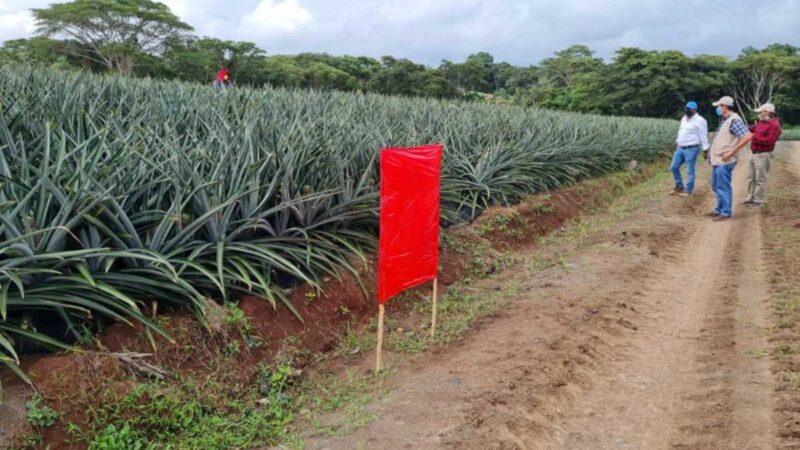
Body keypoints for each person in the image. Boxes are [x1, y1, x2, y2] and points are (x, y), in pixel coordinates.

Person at [707, 96, 752, 221]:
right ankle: (719, 209)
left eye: (719, 106)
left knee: (723, 186)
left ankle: (726, 212)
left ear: (725, 107)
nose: (718, 109)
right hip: (718, 160)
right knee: (716, 186)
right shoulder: (724, 120)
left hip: (725, 160)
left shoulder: (734, 120)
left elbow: (747, 136)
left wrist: (732, 150)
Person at [744, 103, 782, 208]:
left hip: (763, 155)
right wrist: (744, 128)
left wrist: (753, 137)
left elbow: (769, 141)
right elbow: (755, 128)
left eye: (761, 111)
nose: (760, 113)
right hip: (754, 153)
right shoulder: (763, 122)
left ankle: (758, 201)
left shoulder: (775, 125)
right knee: (751, 177)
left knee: (760, 178)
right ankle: (750, 197)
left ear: (768, 112)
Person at [670, 101, 709, 197]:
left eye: (689, 109)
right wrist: (678, 143)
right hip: (680, 147)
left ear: (695, 110)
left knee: (689, 171)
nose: (687, 110)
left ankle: (688, 190)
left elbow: (703, 135)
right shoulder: (684, 118)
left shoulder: (700, 120)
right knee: (674, 167)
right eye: (686, 108)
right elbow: (680, 131)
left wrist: (705, 150)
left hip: (692, 148)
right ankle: (679, 186)